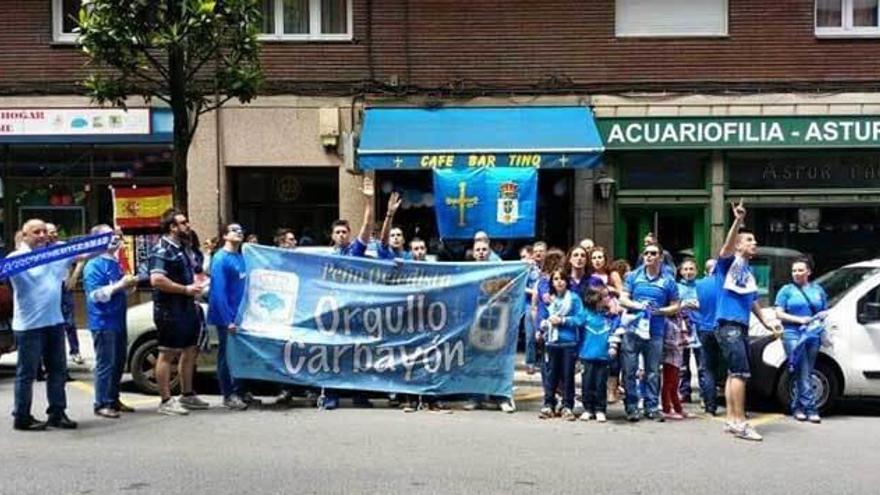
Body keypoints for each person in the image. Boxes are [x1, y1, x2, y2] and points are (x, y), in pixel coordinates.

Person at [9, 219, 84, 431]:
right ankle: (21, 416)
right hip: (29, 326)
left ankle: (57, 413)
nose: (43, 235)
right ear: (24, 236)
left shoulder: (55, 254)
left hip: (54, 322)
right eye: (36, 232)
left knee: (58, 371)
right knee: (27, 373)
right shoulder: (16, 259)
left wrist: (108, 242)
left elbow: (83, 253)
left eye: (44, 231)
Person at [715, 200, 780, 441]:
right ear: (740, 245)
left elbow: (752, 301)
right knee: (741, 372)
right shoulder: (728, 264)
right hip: (728, 324)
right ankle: (741, 422)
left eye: (754, 240)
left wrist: (766, 322)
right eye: (749, 240)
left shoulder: (748, 273)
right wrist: (738, 220)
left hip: (739, 325)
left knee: (735, 373)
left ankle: (732, 419)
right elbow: (726, 246)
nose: (755, 244)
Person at [323, 176, 376, 410]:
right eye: (338, 232)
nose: (342, 235)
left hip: (356, 311)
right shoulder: (323, 258)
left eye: (345, 231)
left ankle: (360, 394)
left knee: (359, 353)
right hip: (335, 313)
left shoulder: (355, 250)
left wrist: (369, 201)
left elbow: (367, 228)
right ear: (332, 235)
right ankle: (331, 395)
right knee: (333, 354)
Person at [149, 209, 209, 416]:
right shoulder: (162, 249)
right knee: (167, 352)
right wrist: (185, 289)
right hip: (169, 309)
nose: (187, 226)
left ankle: (187, 394)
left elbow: (194, 271)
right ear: (172, 227)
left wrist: (198, 284)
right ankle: (166, 400)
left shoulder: (183, 249)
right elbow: (156, 280)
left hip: (187, 306)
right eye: (183, 223)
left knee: (190, 349)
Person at [620, 242, 680, 422]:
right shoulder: (633, 276)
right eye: (646, 253)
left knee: (652, 371)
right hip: (633, 330)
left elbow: (676, 305)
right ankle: (631, 407)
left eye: (653, 253)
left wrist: (660, 311)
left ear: (661, 257)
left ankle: (652, 406)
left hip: (656, 331)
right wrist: (639, 306)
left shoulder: (668, 281)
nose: (649, 256)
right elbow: (623, 299)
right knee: (629, 370)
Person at [83, 224, 138, 418]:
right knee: (105, 363)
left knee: (118, 361)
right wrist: (119, 285)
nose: (116, 239)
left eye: (117, 235)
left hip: (118, 319)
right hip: (103, 321)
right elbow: (95, 295)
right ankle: (101, 402)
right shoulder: (94, 265)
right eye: (110, 236)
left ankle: (113, 398)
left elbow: (118, 288)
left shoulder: (115, 263)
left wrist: (128, 286)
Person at [464, 238, 516, 413]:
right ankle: (475, 398)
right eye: (477, 249)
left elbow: (510, 286)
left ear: (489, 251)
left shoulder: (499, 270)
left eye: (484, 249)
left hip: (496, 321)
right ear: (473, 252)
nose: (480, 252)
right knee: (476, 362)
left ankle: (500, 397)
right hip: (475, 322)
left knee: (497, 361)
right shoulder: (467, 271)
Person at [208, 222, 256, 411]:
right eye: (234, 230)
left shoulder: (241, 257)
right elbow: (218, 292)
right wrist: (227, 319)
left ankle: (240, 390)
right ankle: (228, 395)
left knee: (240, 356)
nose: (239, 233)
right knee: (227, 356)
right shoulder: (220, 258)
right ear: (225, 235)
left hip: (242, 316)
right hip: (228, 317)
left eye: (240, 230)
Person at [775, 258, 828, 423]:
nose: (796, 274)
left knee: (805, 371)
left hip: (813, 333)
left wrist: (820, 321)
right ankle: (811, 408)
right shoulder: (786, 290)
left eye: (800, 270)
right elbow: (779, 313)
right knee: (803, 369)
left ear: (808, 272)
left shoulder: (818, 289)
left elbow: (824, 311)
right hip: (792, 333)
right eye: (794, 271)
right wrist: (799, 320)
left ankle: (797, 407)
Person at [537, 268, 584, 421]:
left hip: (568, 342)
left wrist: (564, 321)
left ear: (567, 281)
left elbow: (580, 318)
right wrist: (543, 325)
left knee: (568, 375)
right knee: (551, 375)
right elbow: (541, 316)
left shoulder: (575, 299)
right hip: (551, 341)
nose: (559, 282)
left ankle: (567, 405)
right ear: (552, 282)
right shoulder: (548, 299)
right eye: (556, 279)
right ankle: (549, 404)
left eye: (562, 278)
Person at [578, 284, 619, 423]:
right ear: (596, 299)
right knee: (587, 383)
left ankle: (600, 409)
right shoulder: (585, 314)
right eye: (606, 296)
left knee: (601, 383)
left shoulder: (610, 317)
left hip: (604, 355)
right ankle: (588, 408)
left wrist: (613, 345)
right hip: (587, 354)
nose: (609, 299)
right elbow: (575, 323)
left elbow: (615, 331)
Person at [47, 223, 85, 366]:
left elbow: (81, 258)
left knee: (69, 321)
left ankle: (75, 351)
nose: (53, 234)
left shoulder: (63, 246)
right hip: (47, 289)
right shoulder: (40, 250)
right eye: (50, 232)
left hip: (63, 287)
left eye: (55, 231)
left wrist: (74, 276)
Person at [694, 258, 721, 416]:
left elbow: (694, 304)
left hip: (704, 328)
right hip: (724, 328)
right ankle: (737, 407)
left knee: (708, 368)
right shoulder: (725, 285)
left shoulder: (699, 285)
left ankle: (710, 406)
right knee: (733, 369)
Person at [676, 258, 700, 403]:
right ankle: (684, 392)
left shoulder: (700, 286)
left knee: (701, 362)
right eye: (685, 269)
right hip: (682, 328)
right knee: (682, 363)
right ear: (680, 271)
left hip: (699, 327)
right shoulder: (677, 287)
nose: (688, 272)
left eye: (691, 269)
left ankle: (704, 394)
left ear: (696, 271)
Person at [521, 245, 540, 374]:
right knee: (530, 335)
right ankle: (530, 362)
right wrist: (535, 291)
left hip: (543, 304)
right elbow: (521, 286)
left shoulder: (543, 269)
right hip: (529, 304)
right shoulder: (526, 270)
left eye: (524, 256)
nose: (522, 259)